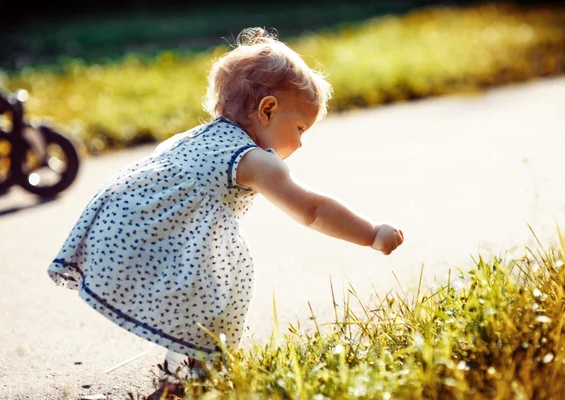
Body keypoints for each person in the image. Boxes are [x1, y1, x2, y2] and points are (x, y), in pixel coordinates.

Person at [47, 27, 404, 396]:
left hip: (127, 226)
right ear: (268, 110)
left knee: (196, 299)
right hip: (160, 236)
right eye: (300, 128)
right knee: (218, 290)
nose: (301, 142)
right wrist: (370, 233)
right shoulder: (254, 161)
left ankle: (179, 376)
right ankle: (198, 377)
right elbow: (312, 210)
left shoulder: (196, 136)